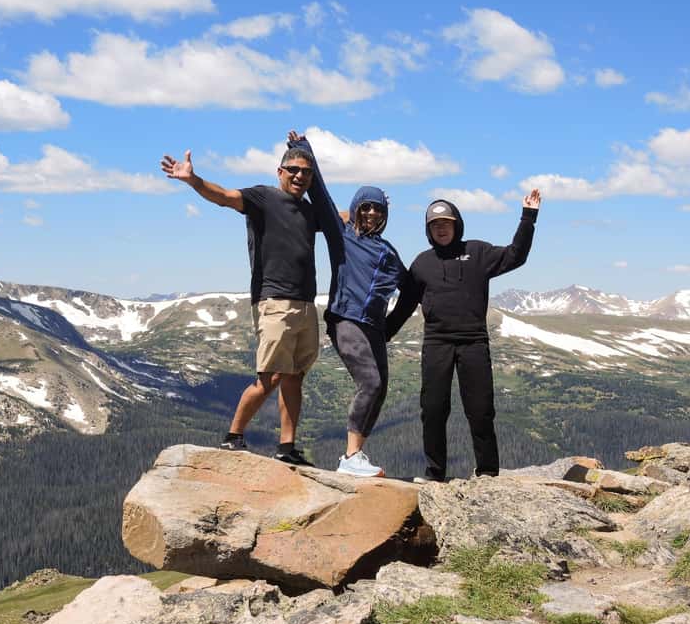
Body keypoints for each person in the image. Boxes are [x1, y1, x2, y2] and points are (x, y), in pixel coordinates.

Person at [160, 143, 341, 466]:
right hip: (274, 301)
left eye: (307, 172)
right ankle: (233, 437)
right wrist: (193, 180)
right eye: (294, 170)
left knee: (295, 377)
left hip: (305, 304)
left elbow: (338, 217)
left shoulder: (310, 211)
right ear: (280, 172)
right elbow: (225, 197)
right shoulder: (264, 198)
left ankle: (287, 447)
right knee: (270, 376)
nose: (300, 176)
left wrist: (367, 209)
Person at [385, 191, 541, 482]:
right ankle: (435, 474)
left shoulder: (478, 253)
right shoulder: (422, 264)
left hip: (473, 342)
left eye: (447, 223)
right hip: (437, 343)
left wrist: (528, 217)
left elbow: (515, 255)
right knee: (432, 410)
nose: (441, 228)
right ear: (428, 230)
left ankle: (487, 473)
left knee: (481, 410)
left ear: (457, 225)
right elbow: (404, 306)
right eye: (435, 225)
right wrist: (382, 334)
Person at [287, 131, 407, 478]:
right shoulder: (343, 237)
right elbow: (319, 192)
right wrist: (302, 148)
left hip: (373, 327)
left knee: (380, 386)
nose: (370, 213)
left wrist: (392, 325)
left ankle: (358, 454)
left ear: (384, 215)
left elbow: (411, 290)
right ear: (355, 210)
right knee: (369, 382)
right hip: (345, 319)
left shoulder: (389, 253)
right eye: (364, 207)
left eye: (376, 209)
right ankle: (350, 456)